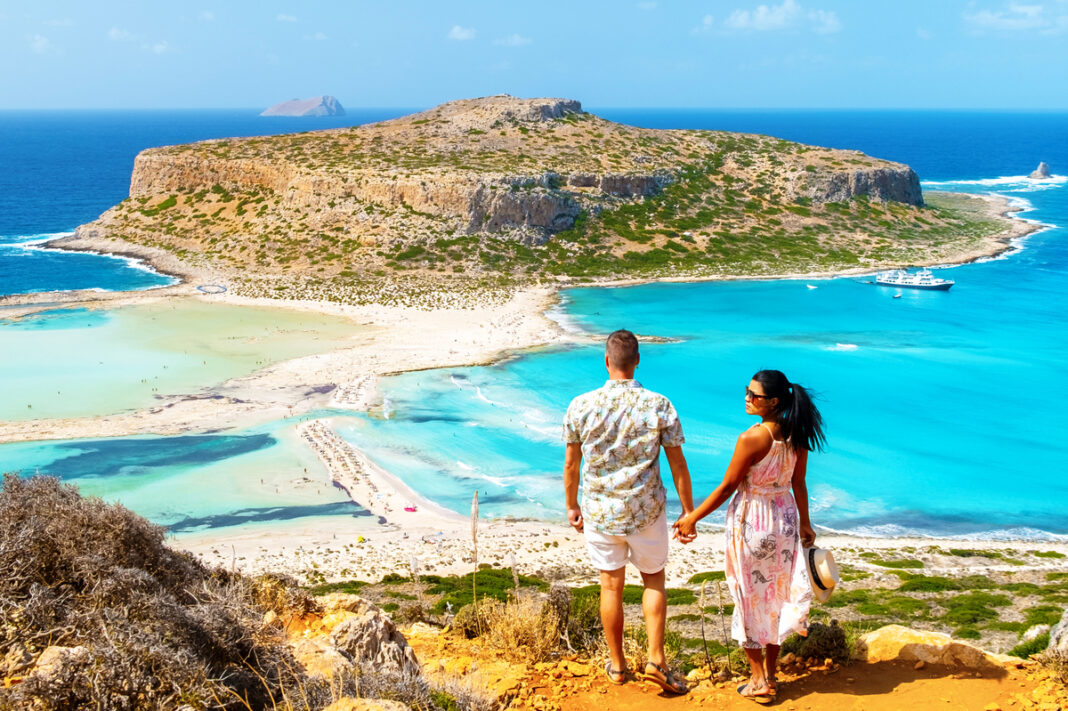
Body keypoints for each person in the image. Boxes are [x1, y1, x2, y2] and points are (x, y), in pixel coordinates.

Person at [673, 369, 825, 704]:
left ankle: (759, 681)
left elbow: (728, 487)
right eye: (746, 391)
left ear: (772, 402)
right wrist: (805, 523)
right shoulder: (796, 434)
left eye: (753, 395)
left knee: (749, 597)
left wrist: (692, 518)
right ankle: (771, 675)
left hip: (753, 522)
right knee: (776, 597)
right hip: (784, 519)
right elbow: (798, 483)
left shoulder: (752, 438)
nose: (746, 398)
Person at [563, 329, 695, 694]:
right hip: (646, 511)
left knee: (611, 585)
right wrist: (689, 512)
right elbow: (678, 466)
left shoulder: (580, 405)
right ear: (637, 361)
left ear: (607, 361)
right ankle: (656, 660)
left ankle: (618, 666)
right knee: (654, 579)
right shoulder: (660, 405)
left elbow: (572, 465)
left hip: (600, 512)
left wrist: (572, 505)